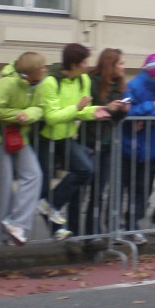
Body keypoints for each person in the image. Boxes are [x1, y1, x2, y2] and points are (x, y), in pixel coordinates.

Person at [36, 43, 110, 243]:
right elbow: (51, 117)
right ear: (73, 64)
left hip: (65, 137)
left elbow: (81, 110)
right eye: (83, 62)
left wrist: (93, 112)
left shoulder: (82, 80)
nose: (87, 66)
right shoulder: (51, 82)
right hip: (45, 138)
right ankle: (56, 228)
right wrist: (77, 108)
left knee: (85, 169)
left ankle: (51, 205)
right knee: (42, 187)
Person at [0, 52, 46, 247]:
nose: (45, 70)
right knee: (4, 185)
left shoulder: (38, 85)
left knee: (34, 174)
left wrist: (27, 114)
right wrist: (16, 115)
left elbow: (40, 107)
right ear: (32, 71)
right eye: (42, 67)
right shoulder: (6, 83)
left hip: (19, 137)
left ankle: (16, 224)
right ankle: (5, 235)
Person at [121, 54, 155, 244]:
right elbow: (127, 111)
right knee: (123, 189)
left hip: (151, 147)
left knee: (144, 190)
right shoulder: (133, 86)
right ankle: (116, 227)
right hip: (130, 146)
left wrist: (147, 117)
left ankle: (132, 225)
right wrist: (150, 106)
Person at [79, 48, 130, 240]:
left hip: (109, 143)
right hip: (90, 140)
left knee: (99, 191)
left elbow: (115, 119)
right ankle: (78, 234)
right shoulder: (91, 82)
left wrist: (123, 110)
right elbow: (85, 109)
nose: (124, 67)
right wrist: (107, 108)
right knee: (82, 190)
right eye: (121, 63)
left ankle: (95, 233)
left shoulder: (119, 85)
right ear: (111, 65)